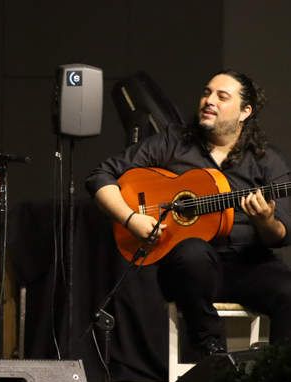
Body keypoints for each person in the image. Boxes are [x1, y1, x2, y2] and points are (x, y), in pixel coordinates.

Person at [86, 69, 291, 358]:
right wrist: (130, 218)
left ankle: (278, 380)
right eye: (207, 93)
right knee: (192, 252)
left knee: (288, 291)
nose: (209, 100)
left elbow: (281, 234)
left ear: (245, 111)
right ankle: (213, 357)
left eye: (222, 96)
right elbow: (100, 176)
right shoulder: (174, 142)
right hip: (187, 272)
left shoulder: (266, 160)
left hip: (247, 265)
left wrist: (265, 220)